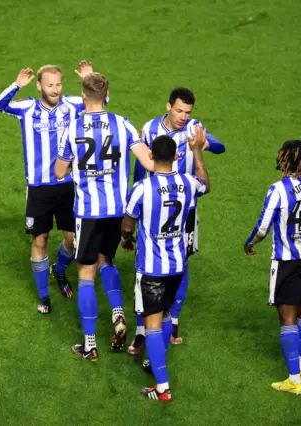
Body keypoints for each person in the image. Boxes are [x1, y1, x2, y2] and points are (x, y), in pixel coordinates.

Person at [55, 72, 155, 360]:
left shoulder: (72, 128)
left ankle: (89, 345)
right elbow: (148, 161)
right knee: (105, 260)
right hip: (117, 209)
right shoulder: (123, 124)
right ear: (106, 94)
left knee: (85, 274)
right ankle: (118, 313)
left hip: (88, 212)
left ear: (83, 96)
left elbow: (60, 171)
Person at [0, 61, 96, 313]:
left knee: (72, 240)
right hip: (38, 188)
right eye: (50, 85)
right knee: (40, 240)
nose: (55, 90)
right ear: (39, 85)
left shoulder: (72, 105)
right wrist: (16, 85)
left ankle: (59, 270)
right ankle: (43, 295)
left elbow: (99, 99)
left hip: (68, 185)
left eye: (58, 84)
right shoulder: (27, 108)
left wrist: (89, 77)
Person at [128, 87, 225, 353]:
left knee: (180, 265)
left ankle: (173, 322)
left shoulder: (194, 128)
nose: (183, 116)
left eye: (188, 112)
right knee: (145, 269)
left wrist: (203, 144)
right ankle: (141, 331)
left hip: (185, 210)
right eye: (179, 110)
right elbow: (140, 169)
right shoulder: (150, 128)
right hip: (154, 207)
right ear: (168, 106)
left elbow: (220, 146)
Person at [122, 133, 210, 401]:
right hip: (177, 266)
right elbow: (205, 184)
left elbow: (127, 223)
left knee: (153, 326)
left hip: (151, 268)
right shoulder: (187, 182)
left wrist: (127, 238)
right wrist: (197, 152)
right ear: (175, 157)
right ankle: (155, 366)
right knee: (166, 315)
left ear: (150, 156)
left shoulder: (141, 188)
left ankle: (162, 387)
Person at [244, 140, 301, 394]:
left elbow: (263, 227)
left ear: (285, 160)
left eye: (280, 155)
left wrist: (249, 243)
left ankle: (294, 380)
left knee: (287, 316)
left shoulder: (278, 190)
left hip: (286, 261)